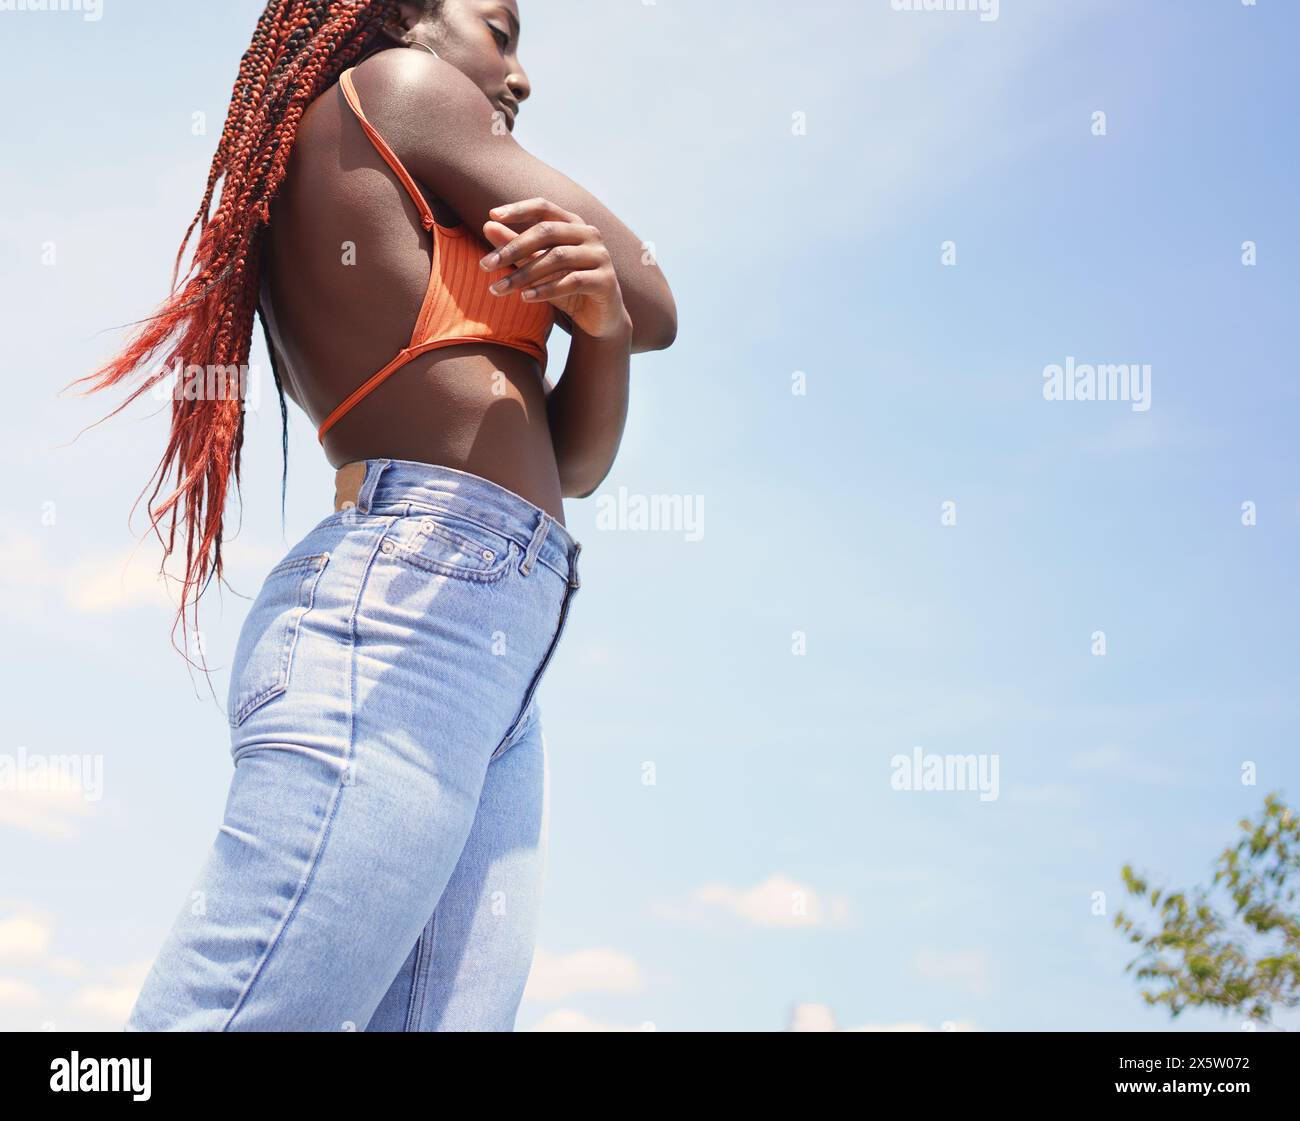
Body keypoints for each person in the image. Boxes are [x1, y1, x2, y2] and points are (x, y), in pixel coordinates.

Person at [63, 0, 677, 1031]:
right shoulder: (403, 88)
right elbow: (661, 292)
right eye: (500, 28)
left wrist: (599, 332)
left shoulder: (411, 176)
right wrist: (625, 302)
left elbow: (570, 462)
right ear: (407, 15)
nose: (520, 76)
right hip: (409, 608)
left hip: (487, 641)